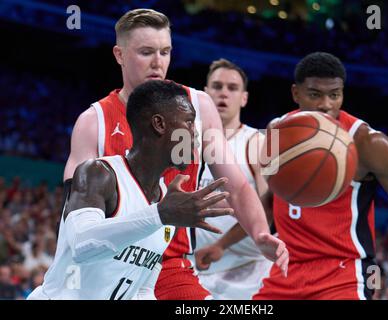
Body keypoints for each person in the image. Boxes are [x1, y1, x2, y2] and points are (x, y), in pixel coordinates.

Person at [62, 9, 288, 300]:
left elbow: (236, 185)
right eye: (146, 52)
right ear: (119, 54)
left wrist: (259, 234)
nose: (158, 62)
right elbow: (77, 222)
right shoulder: (94, 121)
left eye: (165, 52)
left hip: (169, 266)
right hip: (108, 266)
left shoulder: (198, 106)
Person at [252, 52, 388, 299]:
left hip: (345, 276)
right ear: (296, 94)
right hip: (285, 272)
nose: (326, 104)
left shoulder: (368, 143)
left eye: (334, 95)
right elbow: (268, 200)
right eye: (315, 94)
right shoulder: (276, 132)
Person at [27, 80, 233, 299]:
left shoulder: (165, 199)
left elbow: (143, 288)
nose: (196, 133)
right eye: (189, 122)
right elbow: (82, 246)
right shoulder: (99, 173)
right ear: (159, 124)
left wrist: (161, 214)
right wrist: (159, 215)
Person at [192, 59, 273, 300]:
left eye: (232, 88)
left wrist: (222, 245)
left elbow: (269, 210)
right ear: (205, 94)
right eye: (216, 86)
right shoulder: (186, 143)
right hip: (193, 270)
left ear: (244, 98)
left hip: (247, 274)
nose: (223, 93)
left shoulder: (259, 143)